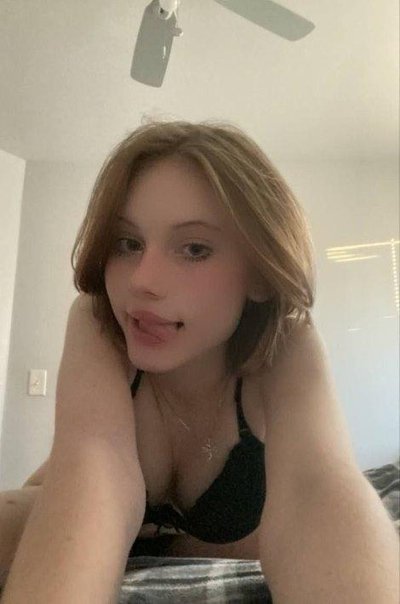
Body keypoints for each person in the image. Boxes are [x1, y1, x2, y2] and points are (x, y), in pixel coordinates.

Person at [1, 120, 398, 602]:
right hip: (54, 499)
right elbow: (93, 470)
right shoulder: (97, 322)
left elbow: (318, 487)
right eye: (128, 243)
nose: (142, 281)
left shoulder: (285, 343)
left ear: (259, 272)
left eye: (194, 249)